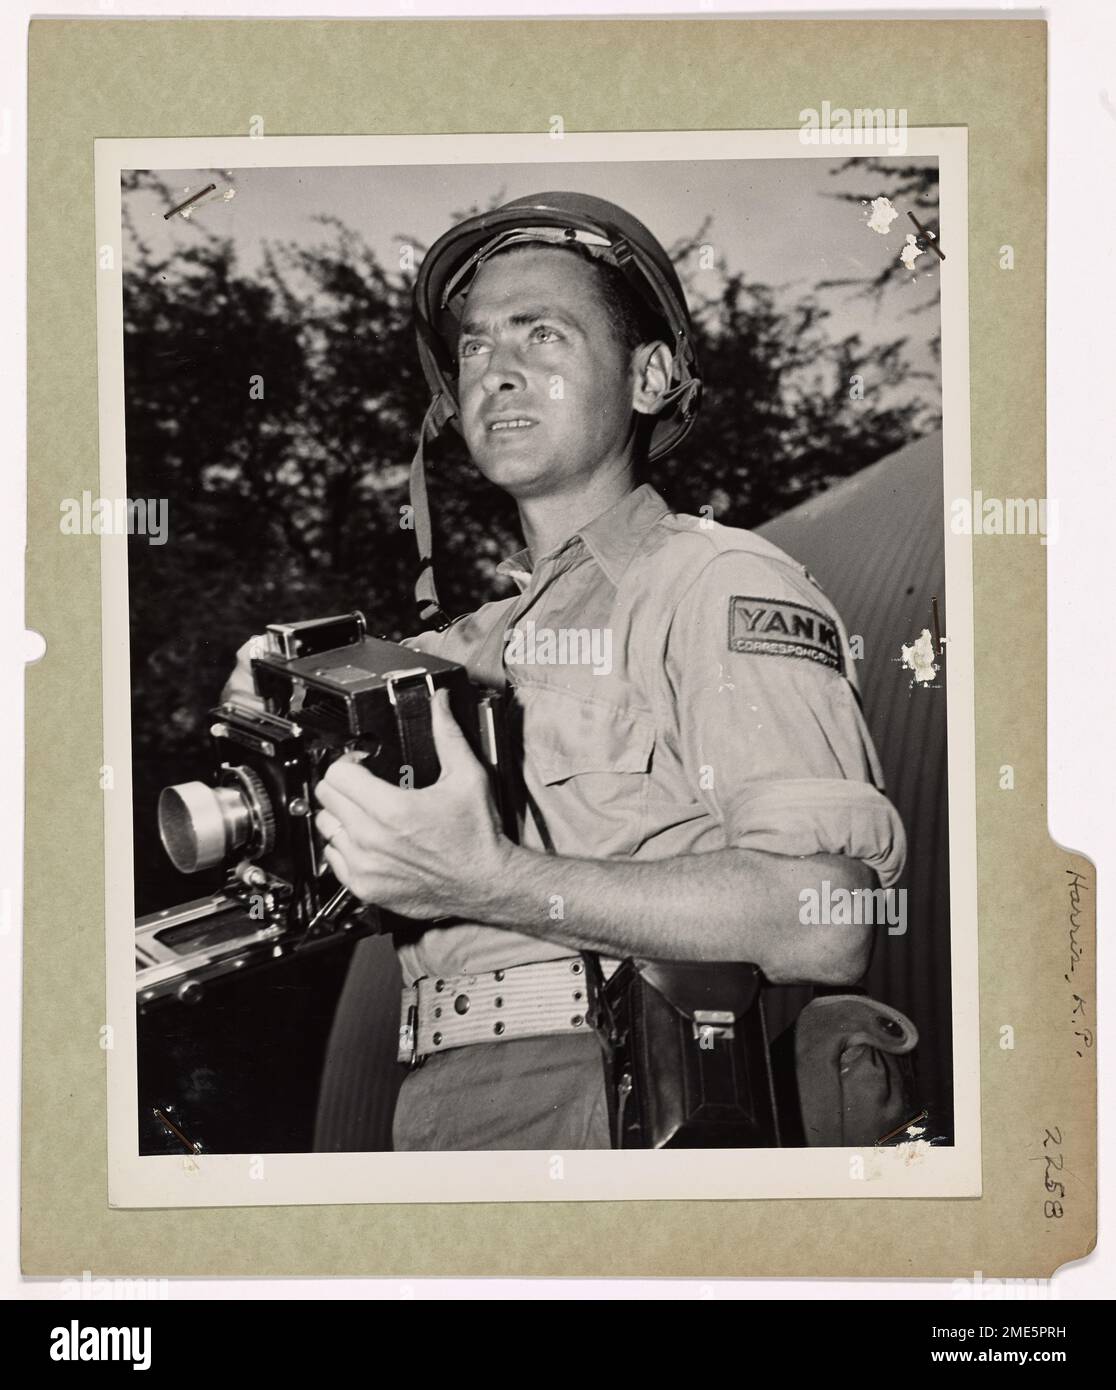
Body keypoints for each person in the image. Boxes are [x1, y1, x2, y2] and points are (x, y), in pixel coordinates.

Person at [225, 193, 906, 1152]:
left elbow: (826, 922)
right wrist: (278, 747)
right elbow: (346, 890)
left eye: (542, 334)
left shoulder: (713, 578)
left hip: (616, 1095)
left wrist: (494, 879)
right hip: (435, 1113)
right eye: (474, 346)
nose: (496, 371)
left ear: (650, 375)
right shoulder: (445, 656)